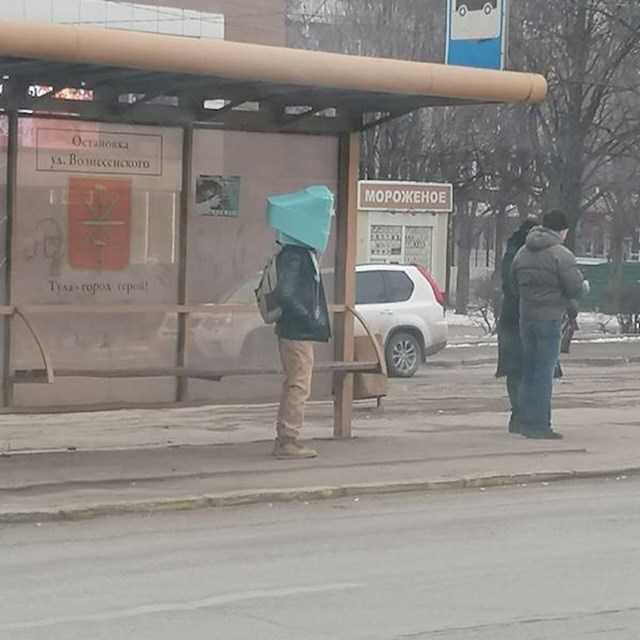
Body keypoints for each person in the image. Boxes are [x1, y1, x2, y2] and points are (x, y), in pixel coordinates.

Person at [511, 210, 587, 439]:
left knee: (529, 370)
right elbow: (574, 288)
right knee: (544, 373)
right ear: (561, 230)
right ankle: (540, 425)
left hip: (527, 318)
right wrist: (584, 287)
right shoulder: (561, 255)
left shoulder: (522, 253)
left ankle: (524, 421)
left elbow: (514, 286)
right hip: (550, 319)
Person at [272, 242, 330, 459]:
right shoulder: (296, 255)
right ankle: (288, 440)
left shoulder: (293, 253)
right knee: (299, 384)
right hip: (297, 331)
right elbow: (286, 295)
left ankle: (285, 437)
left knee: (295, 382)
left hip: (293, 330)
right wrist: (307, 316)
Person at [496, 219, 537, 433]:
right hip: (521, 316)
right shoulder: (523, 254)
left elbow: (507, 282)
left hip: (511, 317)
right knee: (526, 368)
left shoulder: (512, 252)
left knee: (516, 370)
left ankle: (520, 414)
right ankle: (524, 414)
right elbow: (512, 284)